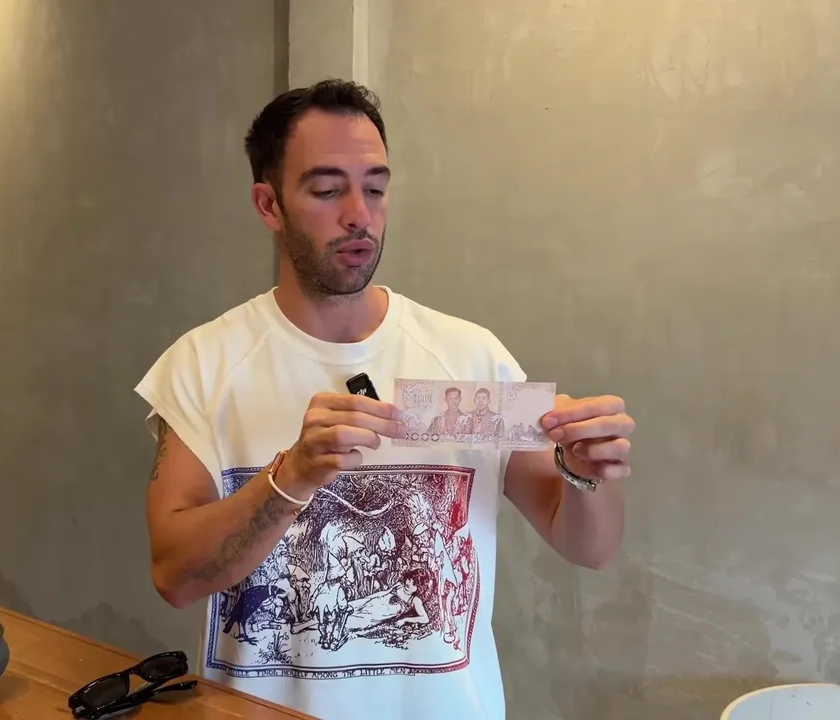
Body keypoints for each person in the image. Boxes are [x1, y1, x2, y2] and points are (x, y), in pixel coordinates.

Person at [135, 79, 635, 719]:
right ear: (268, 204)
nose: (359, 215)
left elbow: (589, 547)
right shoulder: (204, 366)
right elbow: (175, 577)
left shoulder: (468, 357)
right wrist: (290, 479)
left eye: (375, 188)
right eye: (327, 190)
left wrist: (587, 474)